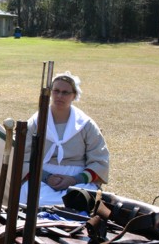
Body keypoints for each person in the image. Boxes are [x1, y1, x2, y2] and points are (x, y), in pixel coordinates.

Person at [20, 71, 109, 207]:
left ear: (74, 96)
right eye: (56, 91)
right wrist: (47, 177)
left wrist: (74, 180)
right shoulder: (36, 122)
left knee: (77, 201)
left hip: (78, 179)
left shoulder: (85, 124)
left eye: (65, 92)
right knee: (37, 200)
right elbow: (23, 158)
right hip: (42, 177)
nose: (60, 96)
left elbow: (100, 160)